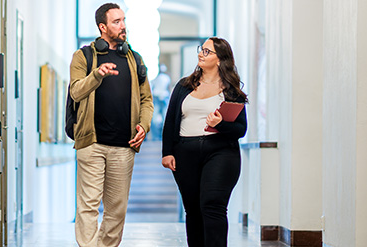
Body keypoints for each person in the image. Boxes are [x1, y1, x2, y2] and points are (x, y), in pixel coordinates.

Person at [68, 3, 153, 246]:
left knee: (116, 211)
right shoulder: (83, 56)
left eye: (123, 20)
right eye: (116, 21)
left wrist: (143, 126)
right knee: (88, 207)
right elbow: (75, 92)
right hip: (91, 143)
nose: (123, 25)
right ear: (102, 27)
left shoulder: (135, 59)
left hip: (124, 147)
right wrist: (97, 75)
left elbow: (147, 100)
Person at [161, 37, 248, 247]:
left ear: (220, 60)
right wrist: (167, 152)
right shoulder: (184, 86)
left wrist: (221, 124)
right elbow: (171, 119)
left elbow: (240, 129)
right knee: (192, 209)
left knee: (213, 205)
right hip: (185, 153)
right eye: (202, 49)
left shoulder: (231, 91)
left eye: (207, 51)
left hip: (220, 153)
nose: (201, 53)